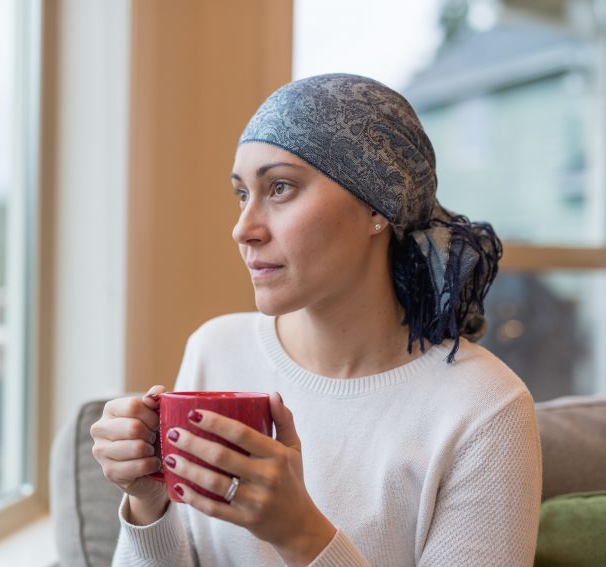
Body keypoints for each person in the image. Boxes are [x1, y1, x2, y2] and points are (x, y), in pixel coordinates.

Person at [89, 73, 542, 566]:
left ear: (378, 205)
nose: (243, 228)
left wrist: (301, 535)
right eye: (242, 194)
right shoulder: (215, 350)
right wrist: (147, 504)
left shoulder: (487, 409)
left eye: (279, 188)